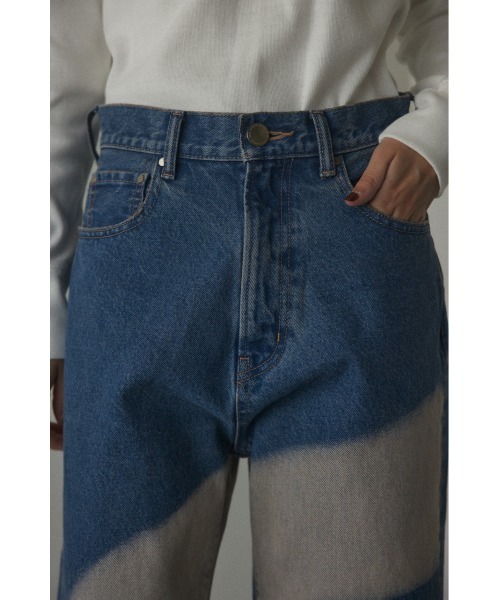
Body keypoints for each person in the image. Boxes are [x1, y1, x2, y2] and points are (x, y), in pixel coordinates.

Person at [50, 1, 448, 598]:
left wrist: (441, 128)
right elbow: (52, 57)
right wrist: (39, 312)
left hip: (354, 224)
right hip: (143, 246)